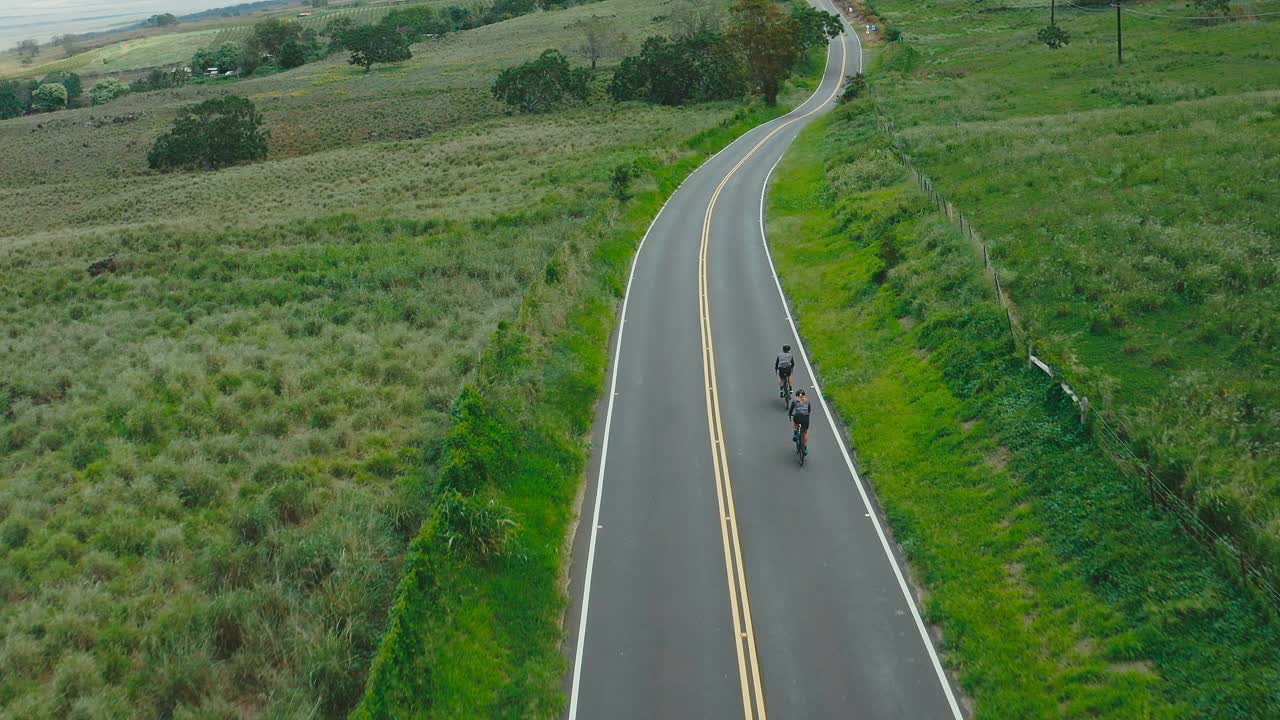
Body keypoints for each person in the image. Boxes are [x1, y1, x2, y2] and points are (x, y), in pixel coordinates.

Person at [789, 388, 811, 454]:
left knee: (795, 422)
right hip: (805, 418)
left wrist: (790, 414)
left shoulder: (795, 401)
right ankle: (805, 449)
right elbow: (809, 410)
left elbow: (791, 410)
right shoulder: (807, 401)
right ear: (804, 395)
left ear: (797, 396)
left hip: (798, 416)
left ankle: (795, 434)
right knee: (805, 432)